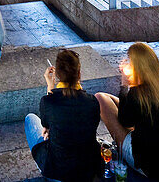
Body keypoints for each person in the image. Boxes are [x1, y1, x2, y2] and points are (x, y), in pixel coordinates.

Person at [95, 42, 159, 181]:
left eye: (130, 62)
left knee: (100, 99)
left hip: (151, 168)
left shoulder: (137, 94)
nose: (127, 64)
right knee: (108, 98)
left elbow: (125, 122)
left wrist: (124, 85)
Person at [25, 48, 104, 182]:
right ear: (79, 74)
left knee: (31, 119)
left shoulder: (48, 101)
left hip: (57, 170)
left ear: (58, 75)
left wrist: (50, 86)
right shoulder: (92, 102)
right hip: (87, 169)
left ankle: (45, 171)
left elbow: (46, 124)